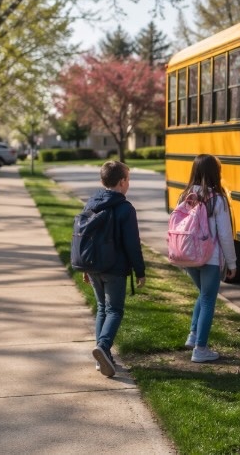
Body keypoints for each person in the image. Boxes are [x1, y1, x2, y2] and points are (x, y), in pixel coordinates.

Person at [83, 160, 146, 378]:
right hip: (115, 268)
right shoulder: (125, 208)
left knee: (102, 308)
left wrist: (85, 267)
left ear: (102, 181)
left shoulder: (91, 203)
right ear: (121, 182)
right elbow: (132, 243)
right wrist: (140, 270)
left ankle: (103, 358)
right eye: (128, 179)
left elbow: (85, 238)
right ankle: (104, 347)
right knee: (115, 310)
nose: (129, 184)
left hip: (92, 265)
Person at [178, 154, 238, 363]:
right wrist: (232, 263)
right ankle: (200, 349)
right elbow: (225, 234)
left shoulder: (184, 195)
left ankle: (193, 335)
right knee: (208, 300)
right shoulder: (217, 199)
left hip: (187, 255)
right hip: (209, 257)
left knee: (203, 295)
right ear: (215, 173)